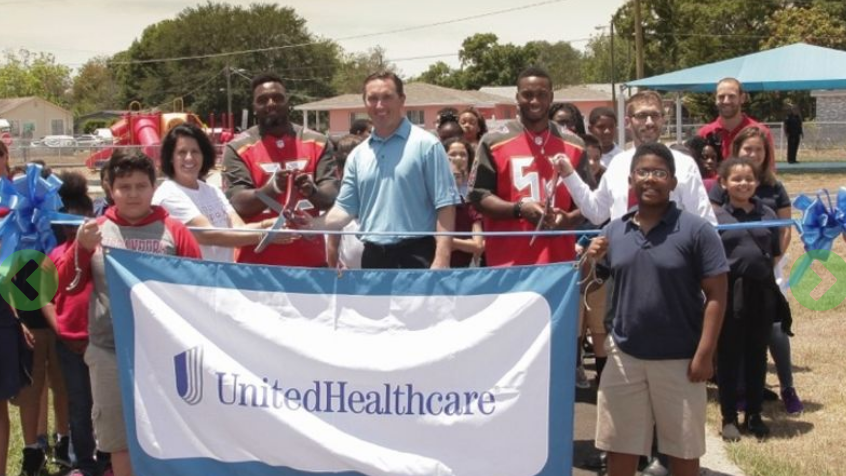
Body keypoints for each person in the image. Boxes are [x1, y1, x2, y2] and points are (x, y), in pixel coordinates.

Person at [56, 151, 202, 476]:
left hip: (164, 353)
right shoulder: (95, 230)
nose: (133, 194)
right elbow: (64, 285)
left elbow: (200, 290)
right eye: (124, 186)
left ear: (154, 187)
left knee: (166, 436)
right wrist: (79, 248)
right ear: (110, 189)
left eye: (140, 185)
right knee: (119, 439)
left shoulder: (175, 232)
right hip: (109, 351)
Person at [588, 142, 728, 476]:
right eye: (643, 172)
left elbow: (717, 295)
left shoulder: (697, 231)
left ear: (673, 182)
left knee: (682, 451)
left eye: (659, 173)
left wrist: (705, 354)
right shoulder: (613, 231)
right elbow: (590, 286)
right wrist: (587, 260)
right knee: (620, 448)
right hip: (625, 358)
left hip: (680, 359)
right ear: (631, 180)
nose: (650, 179)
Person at [307, 71, 460, 269]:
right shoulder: (357, 155)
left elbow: (445, 206)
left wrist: (442, 259)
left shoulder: (427, 145)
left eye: (387, 97)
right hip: (373, 257)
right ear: (365, 103)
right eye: (372, 98)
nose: (380, 105)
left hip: (418, 255)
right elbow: (344, 210)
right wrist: (311, 225)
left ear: (401, 100)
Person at [710, 126, 803, 415]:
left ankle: (785, 387)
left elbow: (783, 229)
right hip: (732, 276)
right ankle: (737, 394)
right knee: (733, 336)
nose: (753, 154)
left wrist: (774, 260)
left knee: (773, 331)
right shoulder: (720, 193)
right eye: (747, 149)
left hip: (767, 270)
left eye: (758, 150)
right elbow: (712, 229)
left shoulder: (774, 188)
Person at [469, 66, 585, 267]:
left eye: (542, 95)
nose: (535, 101)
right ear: (517, 97)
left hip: (559, 263)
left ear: (551, 97)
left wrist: (567, 220)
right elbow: (478, 196)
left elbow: (589, 202)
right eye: (527, 95)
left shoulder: (574, 144)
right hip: (508, 263)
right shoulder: (493, 141)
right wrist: (519, 209)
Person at [223, 72, 339, 267]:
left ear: (288, 102)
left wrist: (311, 191)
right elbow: (237, 203)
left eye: (277, 98)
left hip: (311, 262)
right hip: (256, 265)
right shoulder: (237, 148)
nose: (271, 104)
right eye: (263, 100)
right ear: (254, 107)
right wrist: (273, 187)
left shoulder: (317, 142)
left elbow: (332, 196)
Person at [557, 90, 716, 226]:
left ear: (663, 120)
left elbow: (705, 222)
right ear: (627, 122)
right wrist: (569, 175)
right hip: (624, 257)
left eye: (655, 115)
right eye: (641, 116)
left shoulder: (683, 164)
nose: (649, 122)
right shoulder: (618, 164)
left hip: (671, 257)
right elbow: (597, 213)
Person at [713, 157, 781, 442]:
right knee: (728, 355)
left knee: (757, 354)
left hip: (761, 291)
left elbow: (775, 248)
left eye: (749, 179)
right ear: (723, 183)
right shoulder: (715, 216)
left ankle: (754, 414)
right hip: (730, 292)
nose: (743, 184)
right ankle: (729, 417)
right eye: (737, 179)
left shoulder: (768, 212)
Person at [154, 123, 286, 262]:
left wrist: (271, 224)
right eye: (182, 152)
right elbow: (207, 235)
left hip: (221, 276)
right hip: (192, 280)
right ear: (170, 157)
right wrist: (266, 235)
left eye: (195, 151)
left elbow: (239, 228)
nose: (189, 158)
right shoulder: (168, 194)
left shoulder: (212, 190)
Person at [49, 172, 106, 476]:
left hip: (99, 341)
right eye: (67, 221)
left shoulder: (101, 253)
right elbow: (50, 298)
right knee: (79, 406)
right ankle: (81, 462)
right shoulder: (55, 255)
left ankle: (107, 459)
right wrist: (59, 329)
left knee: (104, 405)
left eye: (80, 219)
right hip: (69, 343)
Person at [697, 78, 774, 165]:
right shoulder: (704, 133)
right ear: (715, 99)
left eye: (731, 96)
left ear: (742, 98)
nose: (726, 101)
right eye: (721, 97)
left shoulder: (760, 132)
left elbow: (768, 171)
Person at [442, 137, 484, 267]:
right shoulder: (431, 197)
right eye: (452, 154)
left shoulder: (472, 201)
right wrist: (463, 244)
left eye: (463, 154)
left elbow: (478, 245)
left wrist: (447, 242)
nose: (458, 158)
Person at [326, 134, 365, 269]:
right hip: (349, 277)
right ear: (339, 172)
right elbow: (332, 244)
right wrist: (335, 269)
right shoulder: (338, 202)